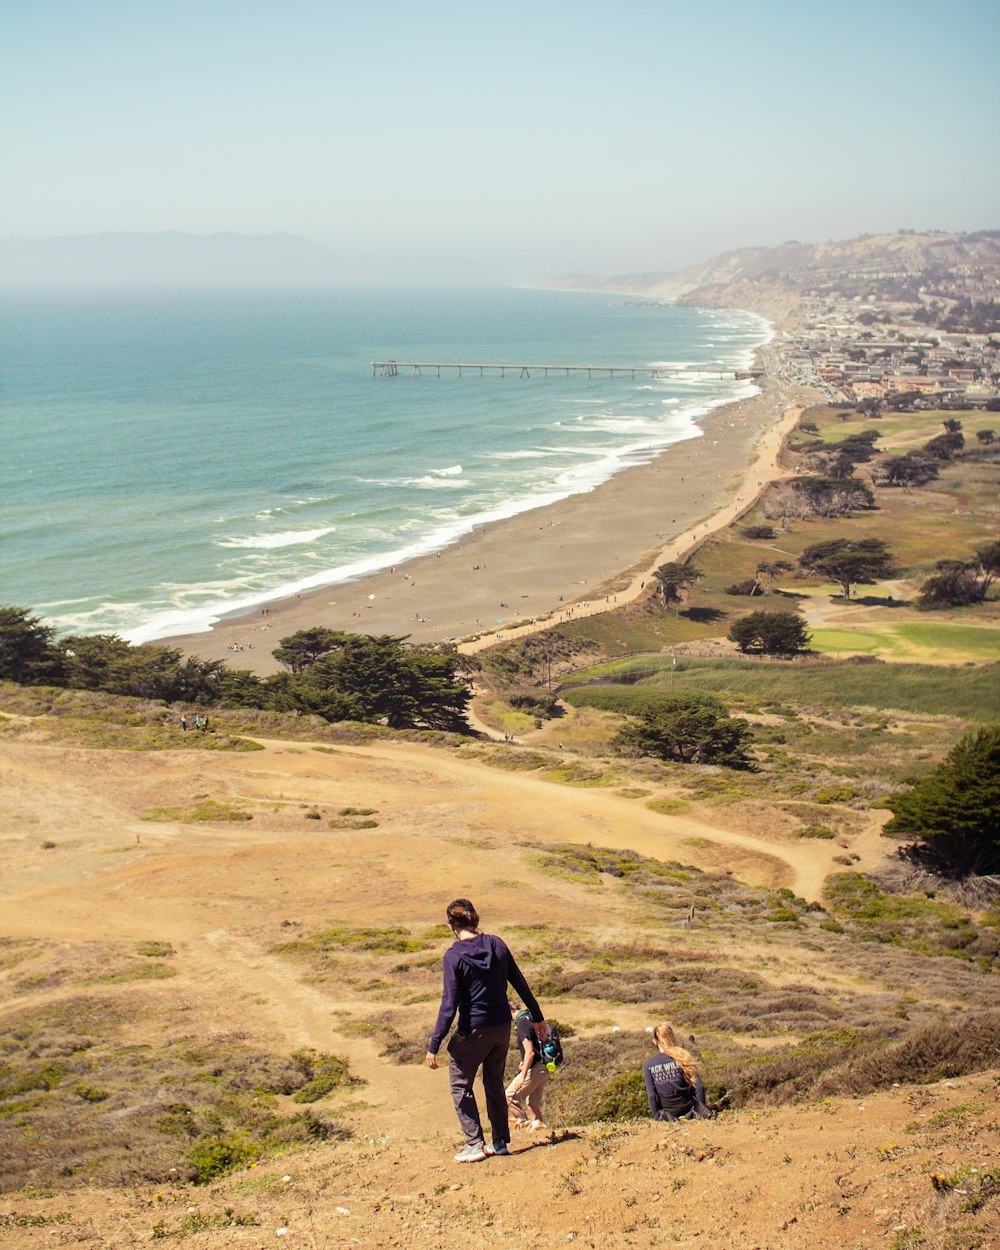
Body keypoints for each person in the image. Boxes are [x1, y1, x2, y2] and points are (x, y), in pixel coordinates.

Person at [426, 898, 548, 1163]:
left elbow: (449, 1006)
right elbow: (520, 983)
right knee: (493, 1082)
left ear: (451, 925)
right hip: (502, 1027)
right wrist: (537, 1017)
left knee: (460, 1084)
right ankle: (500, 1142)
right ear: (475, 919)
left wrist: (434, 1045)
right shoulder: (496, 944)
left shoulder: (453, 956)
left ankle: (474, 1144)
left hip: (473, 1029)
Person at [642, 1024, 715, 1122]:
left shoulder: (648, 1065)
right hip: (689, 1111)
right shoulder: (683, 1057)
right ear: (672, 1038)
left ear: (655, 1042)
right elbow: (699, 1087)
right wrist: (700, 1110)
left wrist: (656, 1118)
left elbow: (652, 1096)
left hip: (668, 1116)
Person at [506, 999, 549, 1132]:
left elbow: (530, 1052)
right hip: (545, 1066)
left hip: (536, 1067)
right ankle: (541, 1131)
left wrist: (522, 1076)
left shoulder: (522, 1022)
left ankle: (524, 1127)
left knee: (509, 1097)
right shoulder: (531, 1016)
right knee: (533, 1104)